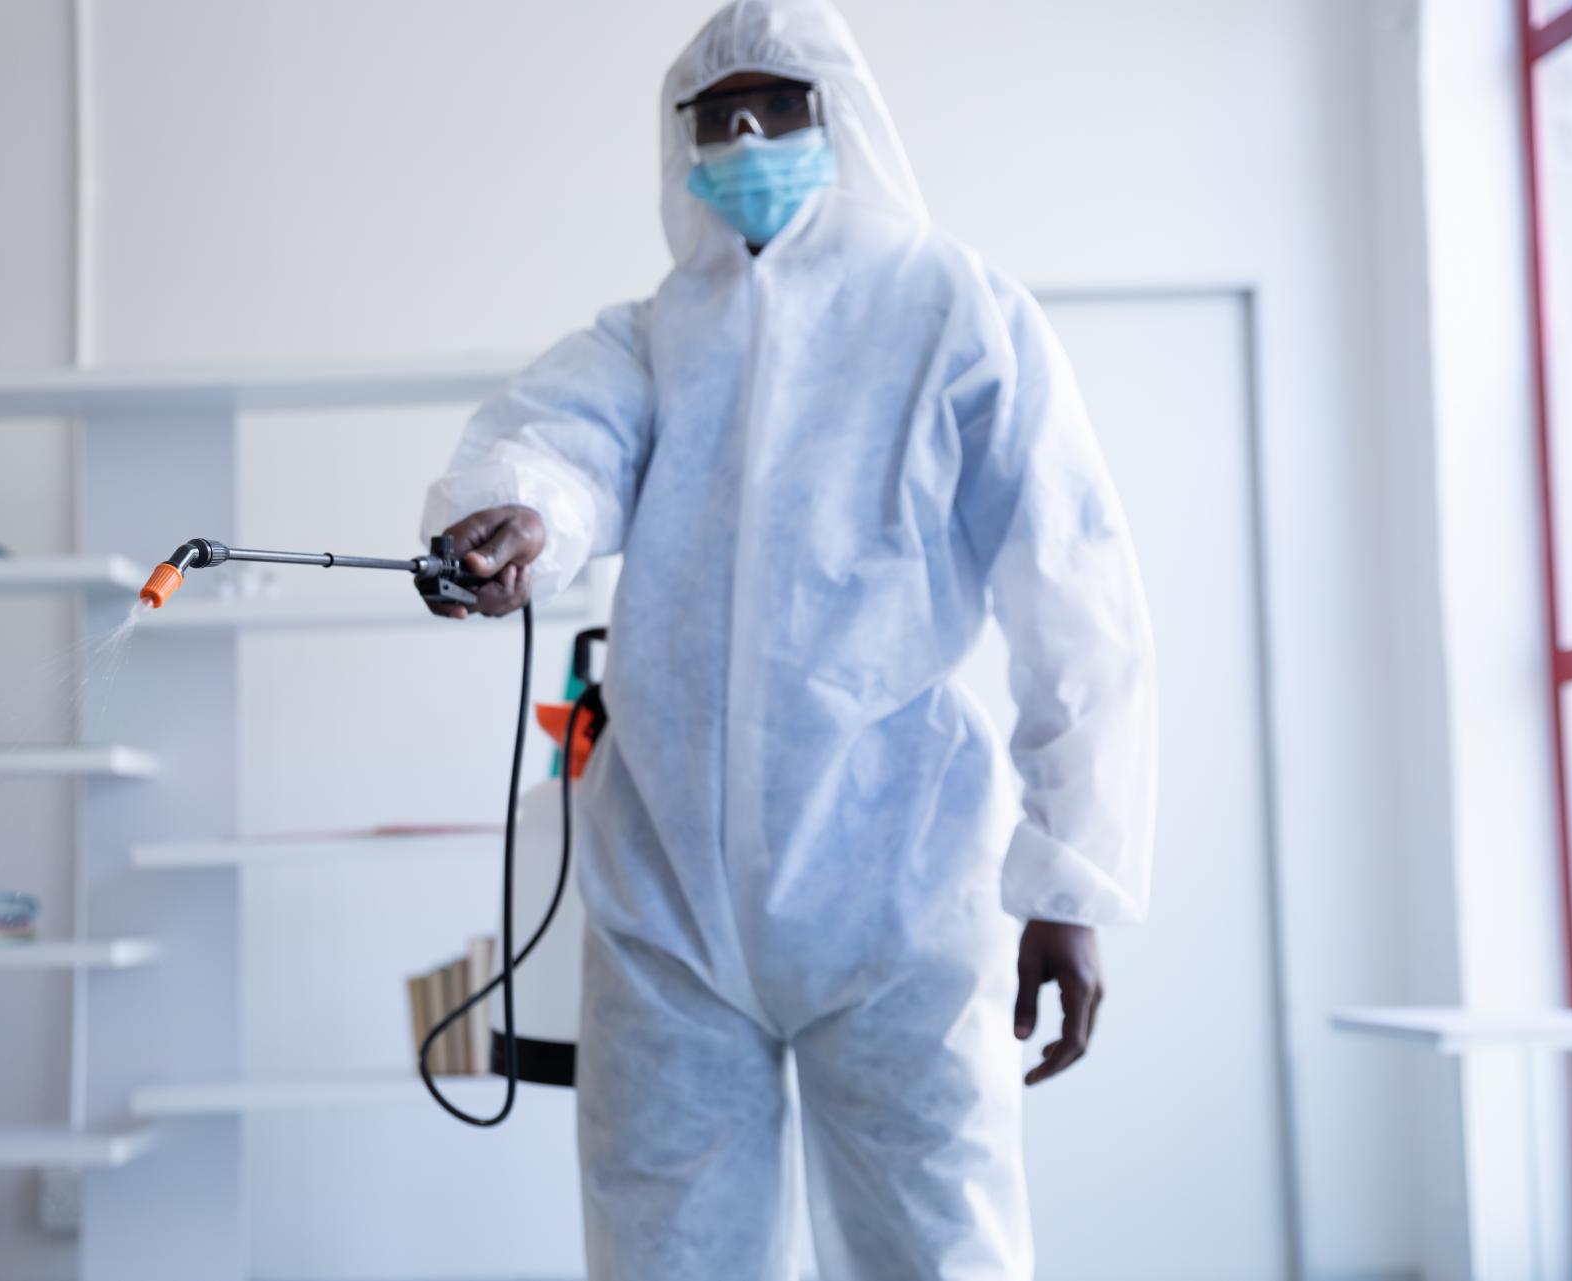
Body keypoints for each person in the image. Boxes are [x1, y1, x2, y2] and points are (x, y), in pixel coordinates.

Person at [419, 1, 1156, 1276]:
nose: (749, 136)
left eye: (781, 106)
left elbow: (1075, 593)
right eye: (719, 115)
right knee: (665, 1253)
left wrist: (1069, 887)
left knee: (939, 1250)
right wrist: (515, 521)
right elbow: (554, 449)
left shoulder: (955, 313)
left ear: (845, 116)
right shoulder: (655, 337)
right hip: (670, 913)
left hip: (902, 896)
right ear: (683, 139)